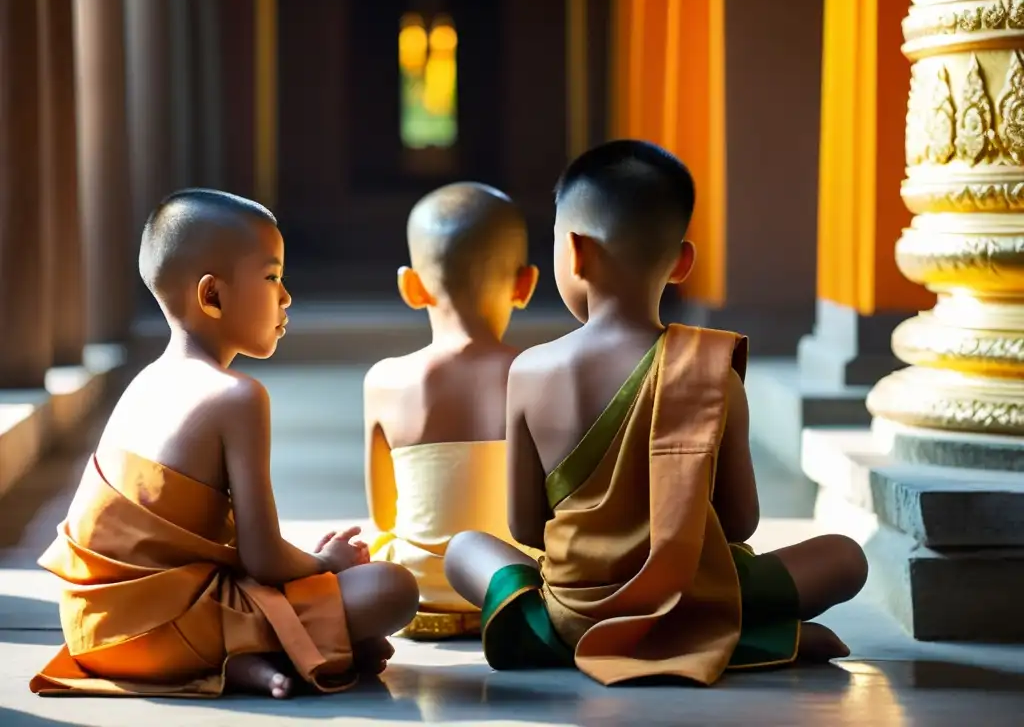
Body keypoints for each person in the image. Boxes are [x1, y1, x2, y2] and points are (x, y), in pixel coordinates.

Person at [443, 141, 869, 686]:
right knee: (844, 557)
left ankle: (555, 636)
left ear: (573, 252)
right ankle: (731, 633)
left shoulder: (530, 370)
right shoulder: (713, 367)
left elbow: (526, 526)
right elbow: (741, 523)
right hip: (697, 600)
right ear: (683, 263)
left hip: (572, 613)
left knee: (464, 549)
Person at [30, 189, 418, 698]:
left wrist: (305, 567)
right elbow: (263, 561)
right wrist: (327, 565)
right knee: (392, 588)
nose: (286, 297)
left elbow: (207, 556)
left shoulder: (142, 383)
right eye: (273, 277)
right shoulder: (239, 397)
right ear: (211, 296)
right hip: (165, 628)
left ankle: (263, 653)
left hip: (95, 631)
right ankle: (255, 654)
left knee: (329, 599)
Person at [364, 182, 541, 640]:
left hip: (419, 591)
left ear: (412, 286)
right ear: (525, 284)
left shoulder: (386, 380)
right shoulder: (542, 375)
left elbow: (385, 516)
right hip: (518, 584)